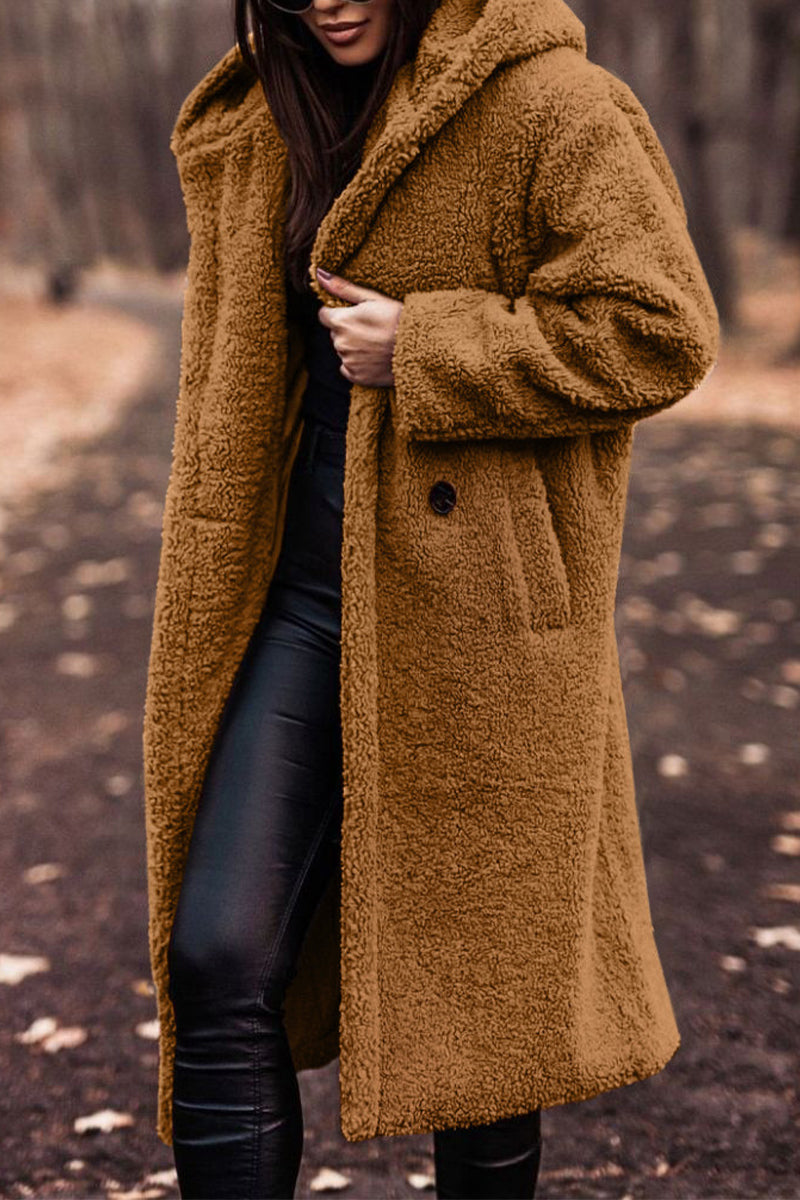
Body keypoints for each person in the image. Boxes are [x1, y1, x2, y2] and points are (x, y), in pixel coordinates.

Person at [142, 0, 720, 1197]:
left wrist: (432, 346)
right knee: (217, 957)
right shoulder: (262, 119)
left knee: (490, 1022)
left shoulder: (549, 104)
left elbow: (660, 327)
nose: (329, 0)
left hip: (482, 620)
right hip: (297, 600)